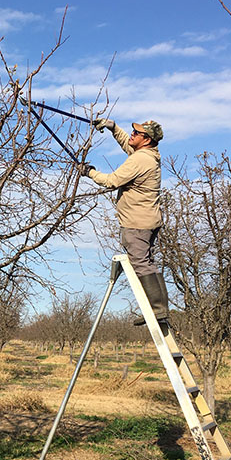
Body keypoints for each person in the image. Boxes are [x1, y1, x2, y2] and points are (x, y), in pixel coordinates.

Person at [81, 118, 169, 325]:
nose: (132, 134)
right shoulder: (147, 156)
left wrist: (89, 173)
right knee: (147, 263)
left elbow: (112, 181)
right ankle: (160, 309)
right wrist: (113, 128)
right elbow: (127, 145)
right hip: (147, 220)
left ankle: (158, 311)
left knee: (141, 263)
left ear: (146, 139)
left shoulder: (141, 160)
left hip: (136, 223)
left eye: (136, 133)